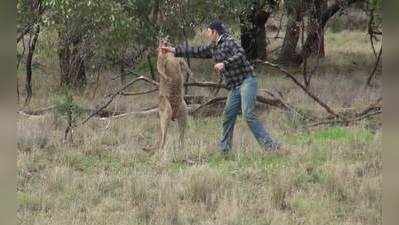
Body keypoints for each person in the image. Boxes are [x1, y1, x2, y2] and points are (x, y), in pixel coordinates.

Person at [160, 20, 286, 154]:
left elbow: (241, 55)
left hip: (247, 81)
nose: (207, 34)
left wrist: (224, 64)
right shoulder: (214, 47)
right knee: (228, 116)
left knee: (248, 114)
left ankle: (271, 147)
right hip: (235, 87)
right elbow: (195, 51)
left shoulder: (229, 41)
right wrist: (172, 50)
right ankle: (225, 150)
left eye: (208, 32)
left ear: (215, 32)